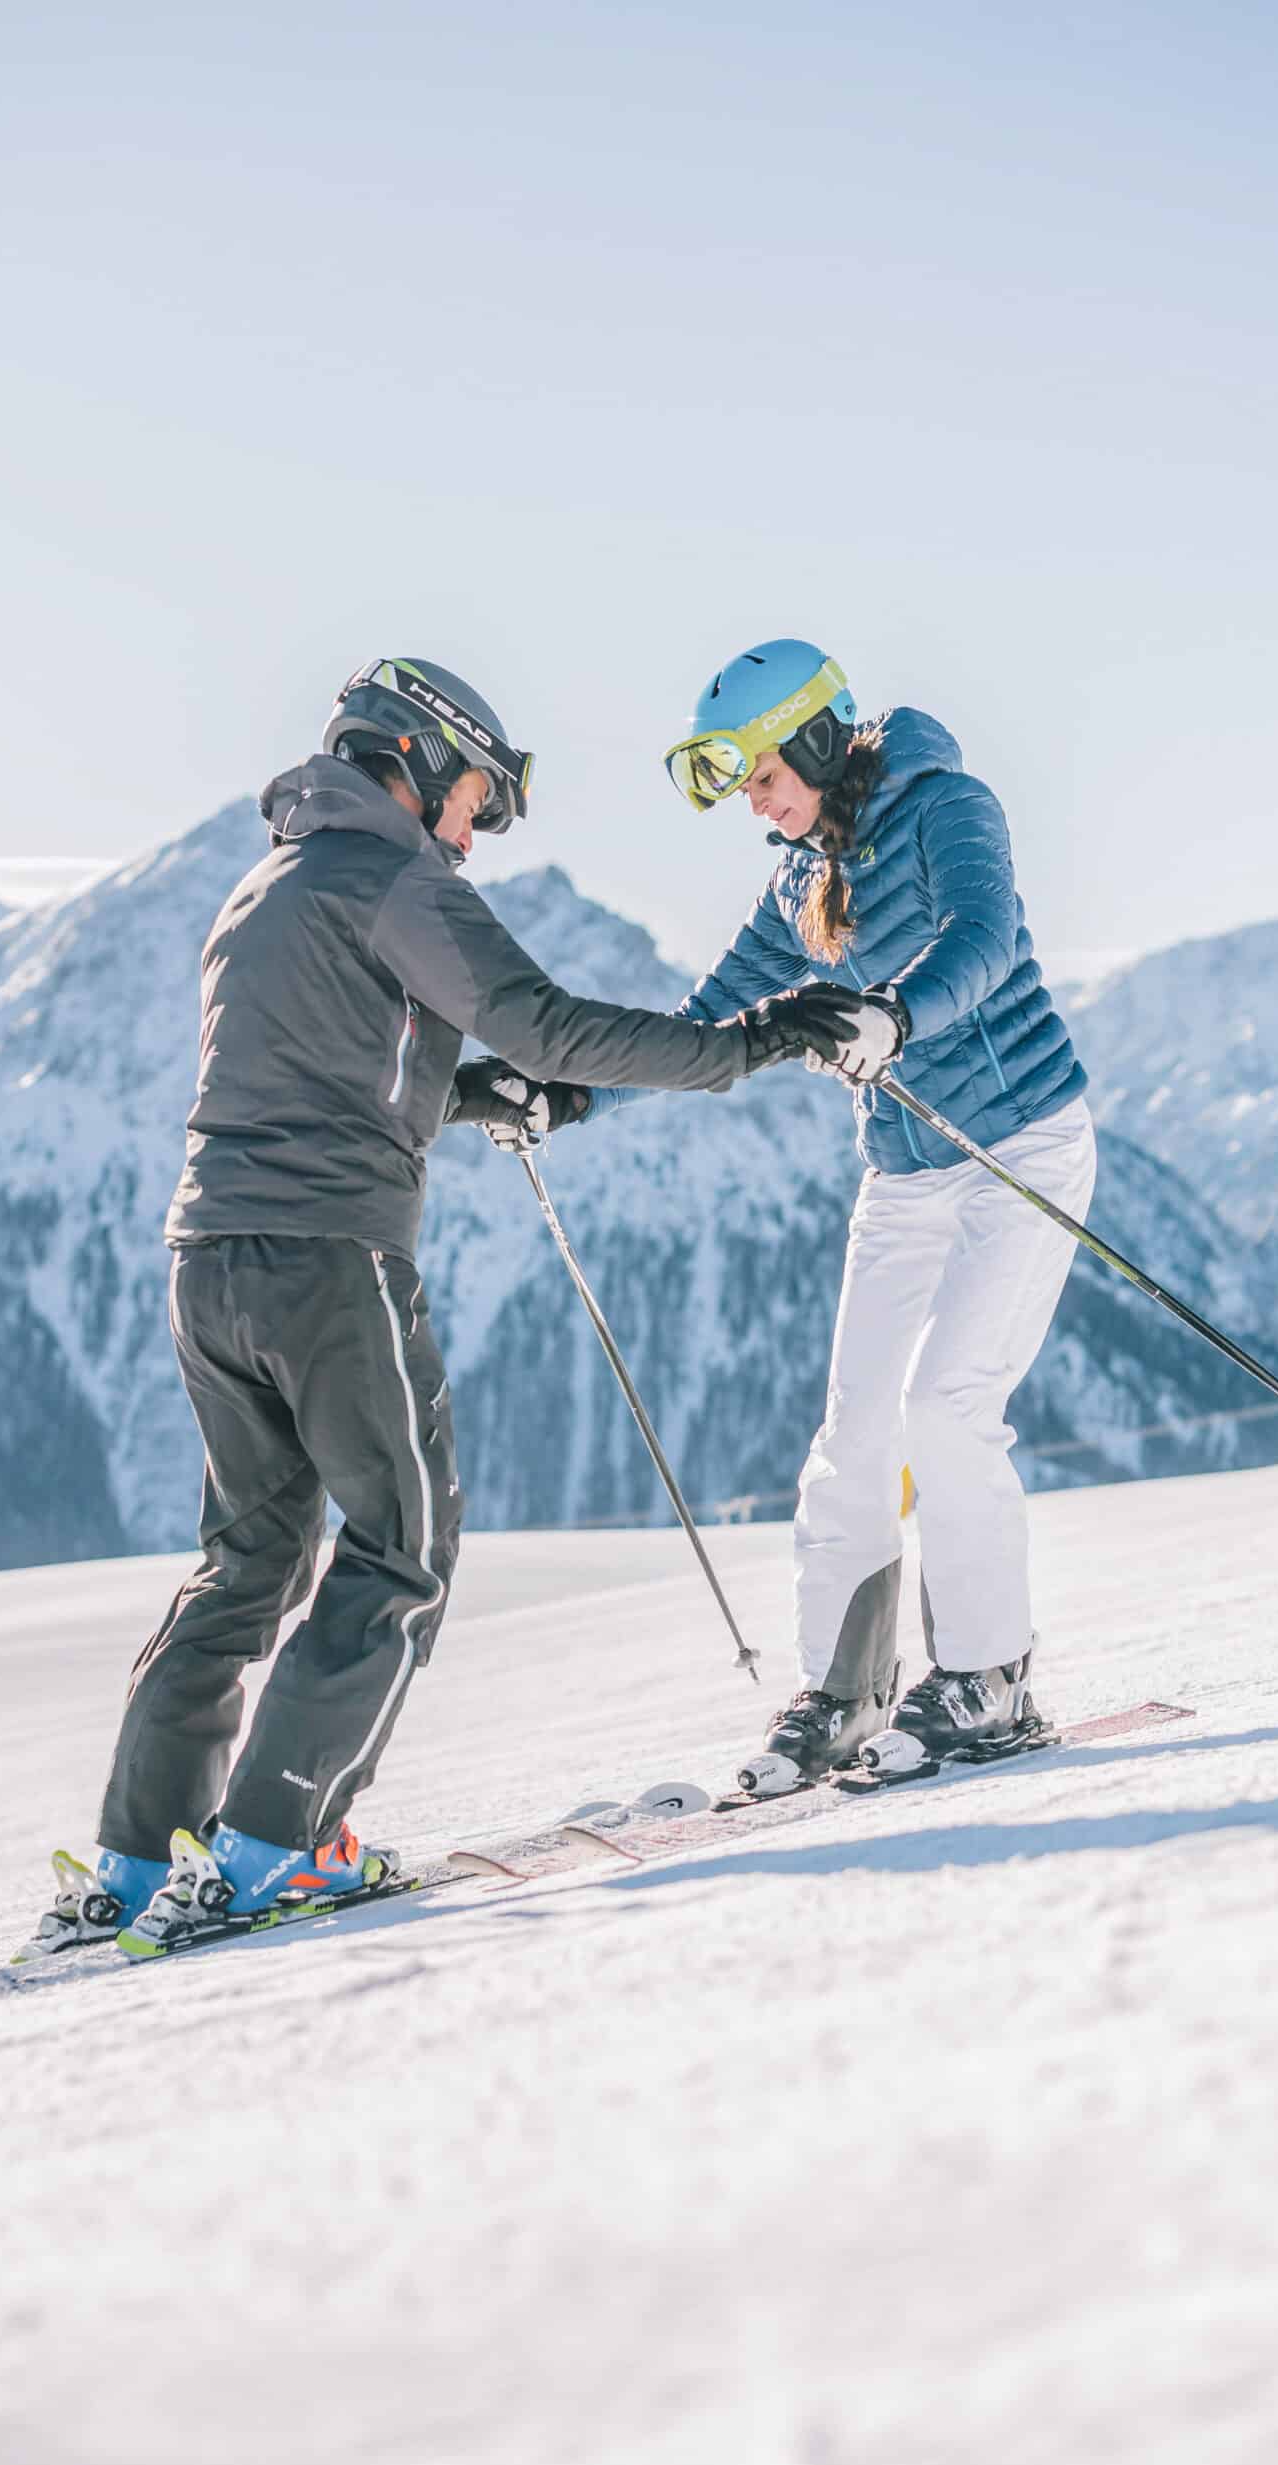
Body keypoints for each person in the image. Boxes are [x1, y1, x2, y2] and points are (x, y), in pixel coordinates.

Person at [23, 654, 862, 1959]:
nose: (473, 833)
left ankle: (138, 1861)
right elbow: (545, 1024)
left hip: (210, 1261)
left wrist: (465, 1098)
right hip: (329, 1260)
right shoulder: (393, 877)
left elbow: (323, 1069)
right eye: (476, 799)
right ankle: (280, 1843)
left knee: (249, 1562)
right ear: (416, 761)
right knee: (402, 1544)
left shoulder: (266, 887)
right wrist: (751, 1042)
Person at [491, 638, 1094, 1792]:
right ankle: (844, 1692)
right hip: (905, 1174)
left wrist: (893, 1016)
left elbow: (983, 936)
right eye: (741, 785)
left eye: (764, 774)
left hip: (1020, 1147)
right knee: (854, 1434)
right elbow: (706, 1021)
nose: (757, 803)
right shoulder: (798, 884)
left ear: (819, 737)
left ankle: (990, 1677)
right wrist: (570, 1095)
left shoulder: (948, 806)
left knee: (947, 1409)